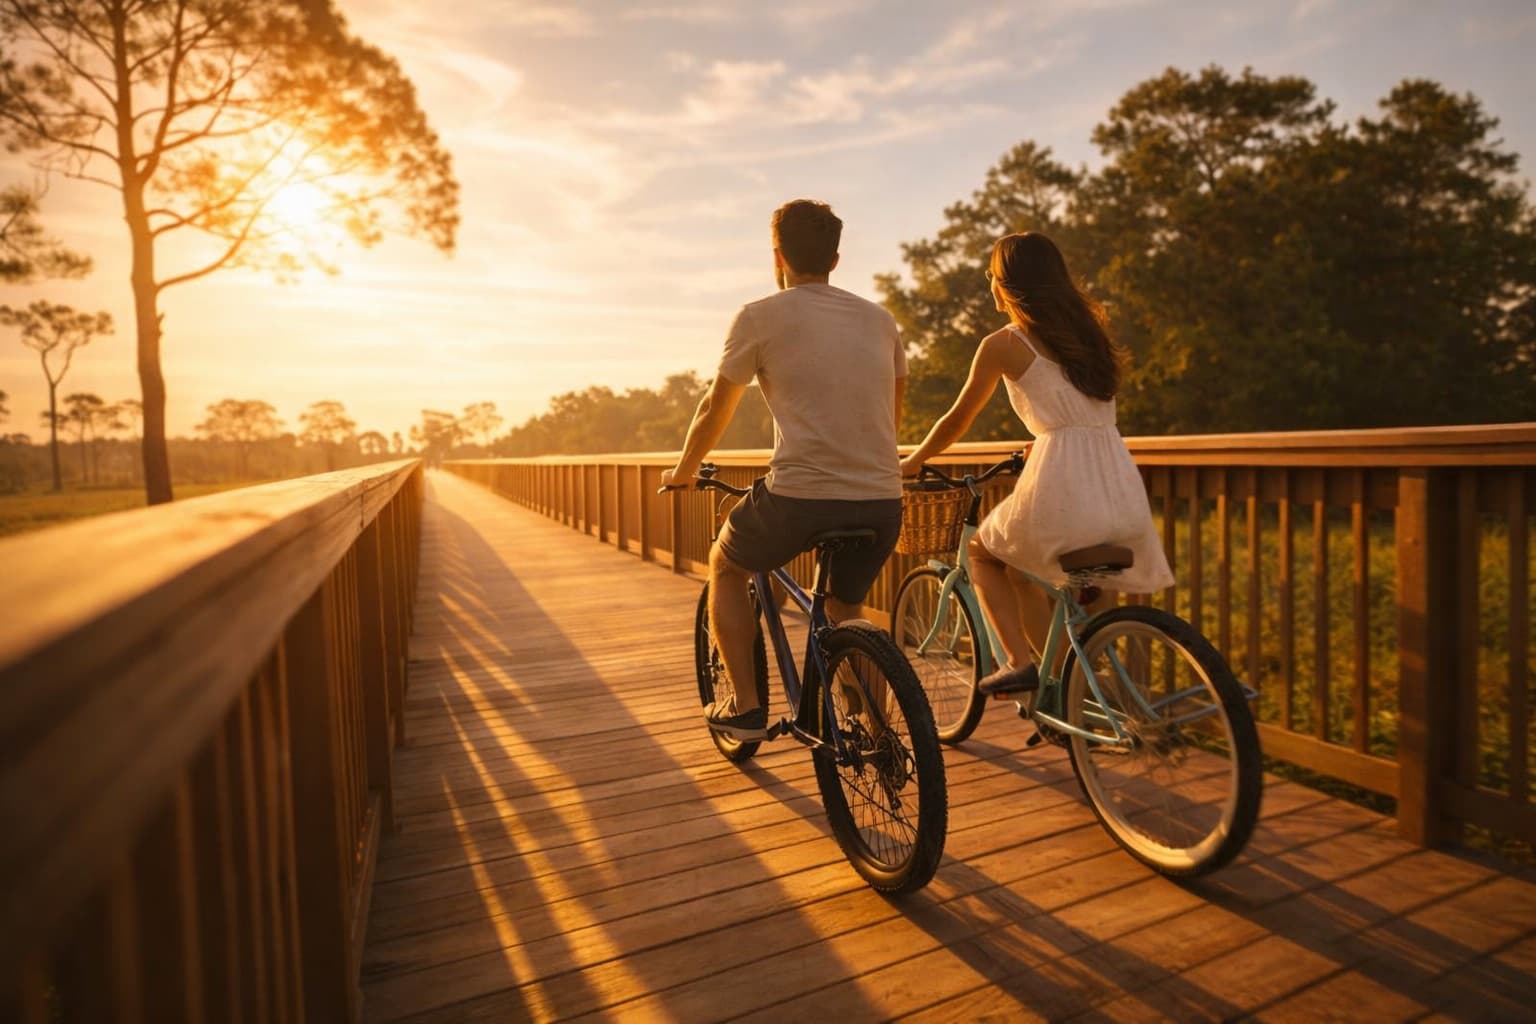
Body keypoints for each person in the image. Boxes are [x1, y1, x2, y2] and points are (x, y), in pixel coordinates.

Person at [661, 199, 906, 741]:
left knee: (726, 564)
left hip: (800, 497)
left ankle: (746, 707)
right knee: (846, 605)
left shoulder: (757, 316)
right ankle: (876, 727)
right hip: (882, 498)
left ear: (777, 255)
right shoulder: (881, 320)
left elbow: (713, 410)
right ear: (836, 258)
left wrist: (683, 470)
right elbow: (893, 414)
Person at [899, 231, 1173, 697]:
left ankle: (1018, 663)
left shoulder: (1005, 343)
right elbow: (1081, 415)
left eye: (991, 276)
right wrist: (1047, 438)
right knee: (1042, 574)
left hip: (1066, 484)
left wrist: (914, 460)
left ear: (1005, 284)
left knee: (984, 553)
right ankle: (1071, 693)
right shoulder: (1090, 335)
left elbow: (957, 419)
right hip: (1116, 486)